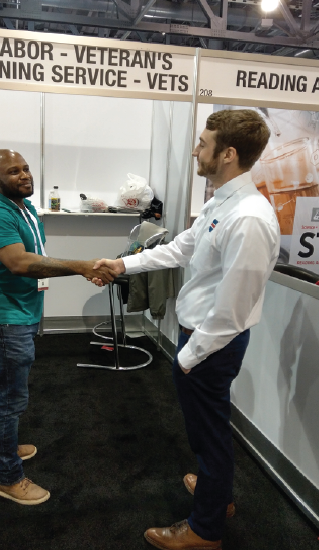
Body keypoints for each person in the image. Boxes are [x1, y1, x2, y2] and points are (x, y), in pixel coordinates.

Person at [92, 109, 278, 549]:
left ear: (228, 154)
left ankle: (205, 530)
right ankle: (217, 492)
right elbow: (179, 249)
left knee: (210, 435)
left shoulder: (249, 218)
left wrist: (188, 358)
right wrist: (123, 264)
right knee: (206, 430)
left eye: (203, 143)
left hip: (211, 344)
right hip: (201, 340)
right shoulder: (223, 202)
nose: (196, 150)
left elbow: (232, 310)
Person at [0, 149, 117, 505]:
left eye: (25, 168)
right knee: (10, 398)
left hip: (18, 312)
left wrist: (82, 270)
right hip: (4, 318)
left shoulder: (24, 208)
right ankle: (7, 477)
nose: (24, 175)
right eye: (13, 171)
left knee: (0, 389)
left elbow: (38, 256)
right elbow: (20, 263)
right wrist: (81, 266)